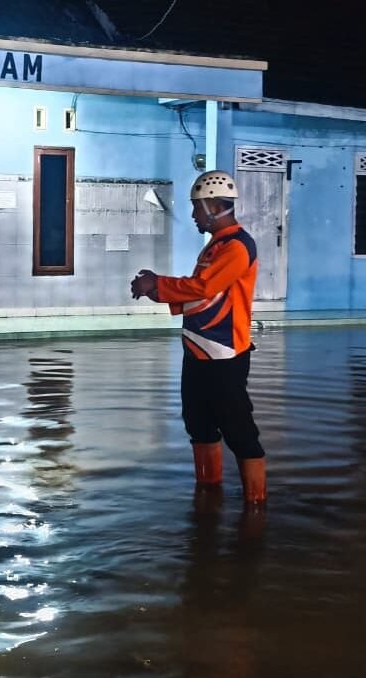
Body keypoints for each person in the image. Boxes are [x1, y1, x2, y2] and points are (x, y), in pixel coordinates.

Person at [130, 170, 266, 505]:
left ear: (213, 206)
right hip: (197, 352)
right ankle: (208, 495)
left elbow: (205, 287)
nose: (193, 215)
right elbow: (200, 296)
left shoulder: (237, 247)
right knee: (199, 425)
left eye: (196, 208)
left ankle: (256, 505)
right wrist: (156, 289)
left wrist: (157, 285)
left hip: (225, 355)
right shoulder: (215, 248)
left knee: (239, 431)